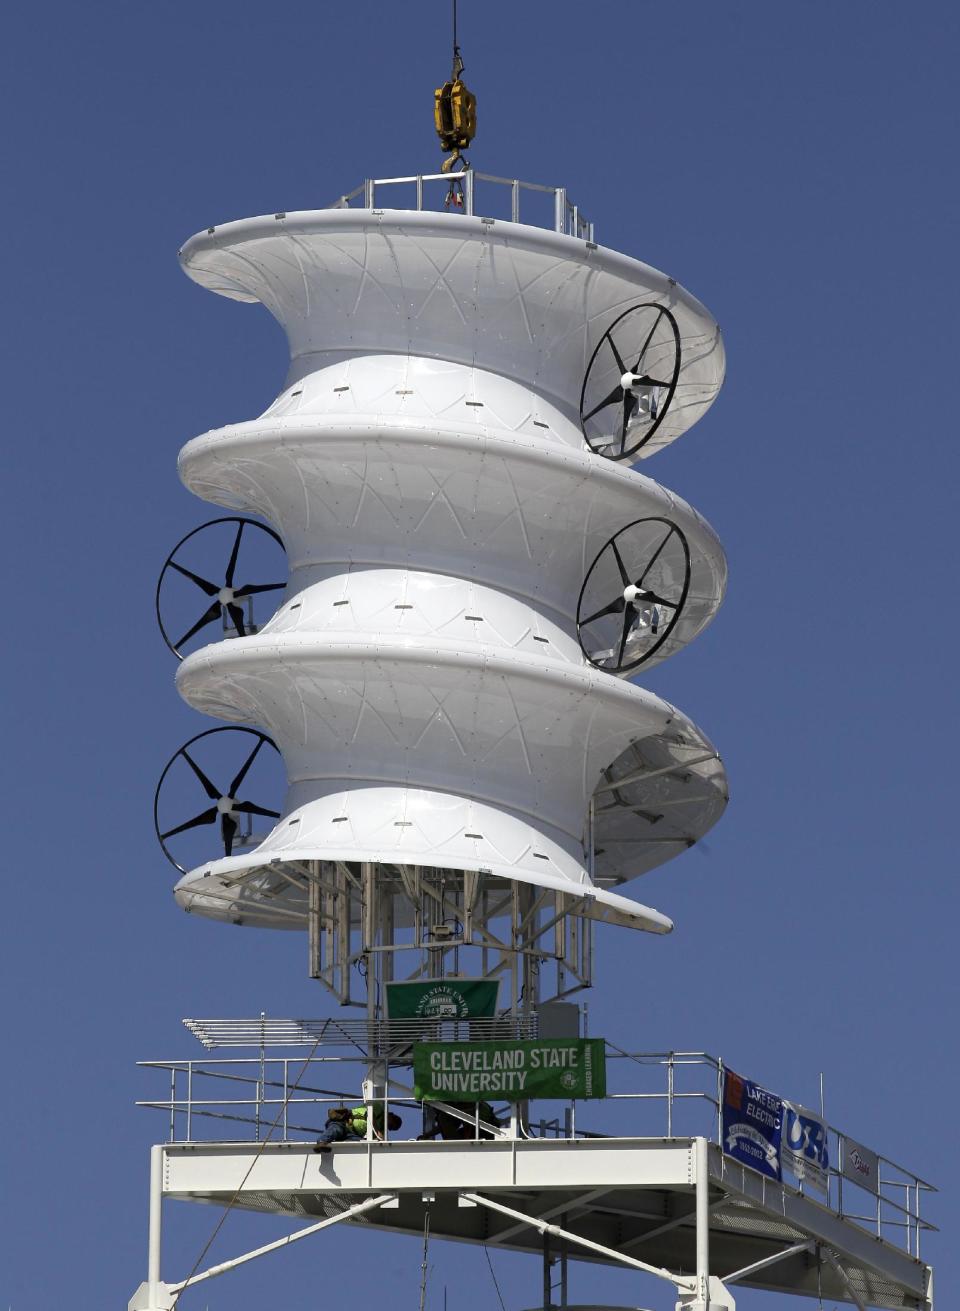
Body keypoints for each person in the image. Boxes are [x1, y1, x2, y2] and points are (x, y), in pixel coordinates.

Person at [313, 1103, 402, 1153]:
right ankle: (321, 1142)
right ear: (391, 1115)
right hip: (344, 1121)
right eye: (391, 1125)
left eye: (391, 1128)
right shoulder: (378, 1107)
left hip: (352, 1134)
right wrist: (378, 1133)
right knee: (336, 1130)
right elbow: (370, 1114)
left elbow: (375, 1139)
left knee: (359, 1144)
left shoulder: (381, 1130)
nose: (389, 1128)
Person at [417, 1100, 499, 1141]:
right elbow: (451, 1123)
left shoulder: (465, 1101)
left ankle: (455, 1148)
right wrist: (428, 1134)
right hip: (478, 1128)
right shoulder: (455, 1105)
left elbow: (453, 1120)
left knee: (443, 1118)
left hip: (486, 1129)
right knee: (443, 1118)